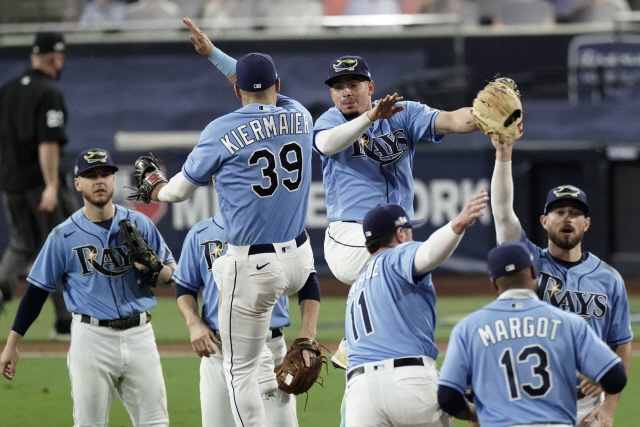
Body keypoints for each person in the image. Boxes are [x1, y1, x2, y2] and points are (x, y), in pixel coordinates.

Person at [130, 26, 316, 425]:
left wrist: (155, 187)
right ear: (278, 85)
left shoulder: (221, 129)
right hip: (299, 256)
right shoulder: (300, 115)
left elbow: (177, 192)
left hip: (254, 265)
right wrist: (215, 54)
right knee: (258, 368)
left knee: (239, 370)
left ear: (237, 92)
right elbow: (259, 93)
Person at [0, 148, 175, 426]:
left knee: (156, 423)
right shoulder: (63, 235)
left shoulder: (140, 223)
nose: (100, 180)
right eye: (91, 175)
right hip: (91, 340)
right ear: (77, 183)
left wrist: (155, 266)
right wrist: (12, 343)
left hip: (140, 336)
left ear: (114, 180)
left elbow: (172, 277)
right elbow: (35, 292)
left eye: (105, 173)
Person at [490, 138, 632, 427]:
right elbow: (503, 214)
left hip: (589, 407)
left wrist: (610, 406)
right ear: (544, 221)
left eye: (576, 212)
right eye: (559, 212)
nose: (568, 217)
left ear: (586, 223)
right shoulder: (527, 263)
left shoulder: (608, 279)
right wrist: (503, 154)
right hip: (534, 404)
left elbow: (622, 345)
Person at [438, 242, 628, 427]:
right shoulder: (569, 322)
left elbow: (447, 397)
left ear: (494, 282)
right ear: (533, 273)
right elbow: (616, 376)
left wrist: (477, 411)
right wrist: (600, 380)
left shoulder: (469, 328)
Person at [344, 192, 488, 427]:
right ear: (400, 233)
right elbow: (428, 254)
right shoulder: (396, 255)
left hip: (360, 394)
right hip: (409, 383)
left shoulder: (358, 284)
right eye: (409, 230)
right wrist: (458, 224)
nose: (412, 235)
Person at [174, 209, 321, 427]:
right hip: (219, 352)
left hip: (271, 352)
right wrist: (194, 324)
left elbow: (309, 282)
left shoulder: (280, 227)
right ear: (216, 178)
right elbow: (184, 288)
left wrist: (308, 336)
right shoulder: (200, 233)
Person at [0, 32, 78, 340]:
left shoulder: (5, 91)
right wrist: (49, 186)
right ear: (56, 57)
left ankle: (3, 287)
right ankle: (64, 321)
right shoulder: (48, 93)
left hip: (12, 184)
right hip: (40, 184)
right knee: (59, 247)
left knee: (21, 244)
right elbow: (48, 142)